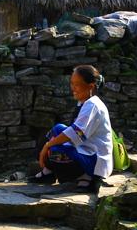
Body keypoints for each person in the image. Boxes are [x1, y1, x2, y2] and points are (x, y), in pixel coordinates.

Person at [30, 65, 113, 194]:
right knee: (57, 129)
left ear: (91, 86)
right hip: (85, 149)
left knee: (56, 150)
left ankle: (87, 176)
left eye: (77, 84)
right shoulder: (84, 102)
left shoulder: (92, 105)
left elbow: (76, 133)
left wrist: (48, 146)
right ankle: (48, 172)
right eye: (72, 84)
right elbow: (72, 132)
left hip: (94, 159)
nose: (73, 88)